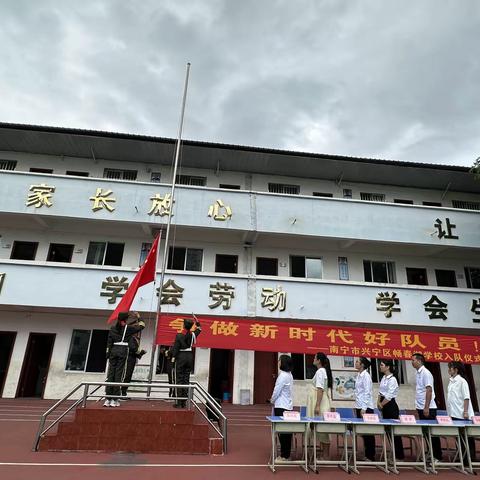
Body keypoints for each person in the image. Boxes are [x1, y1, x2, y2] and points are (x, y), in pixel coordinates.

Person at [105, 311, 145, 407]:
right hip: (123, 351)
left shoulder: (113, 328)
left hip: (113, 351)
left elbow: (109, 343)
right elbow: (142, 326)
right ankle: (115, 399)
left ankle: (108, 398)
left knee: (110, 374)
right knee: (119, 375)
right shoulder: (128, 328)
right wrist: (138, 316)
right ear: (126, 319)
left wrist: (108, 354)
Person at [411, 353, 442, 461]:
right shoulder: (418, 373)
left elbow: (429, 390)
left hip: (428, 407)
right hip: (421, 407)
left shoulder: (426, 373)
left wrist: (426, 407)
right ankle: (430, 453)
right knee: (426, 433)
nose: (412, 362)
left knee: (432, 433)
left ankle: (437, 456)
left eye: (413, 360)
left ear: (419, 361)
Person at [446, 361, 476, 463]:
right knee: (459, 436)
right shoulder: (451, 381)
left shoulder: (462, 381)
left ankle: (470, 458)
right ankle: (462, 457)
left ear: (456, 370)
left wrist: (466, 411)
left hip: (462, 414)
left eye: (450, 368)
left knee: (466, 437)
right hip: (454, 413)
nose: (449, 369)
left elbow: (466, 397)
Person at [171, 317, 201, 408]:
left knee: (179, 379)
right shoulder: (192, 334)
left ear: (184, 326)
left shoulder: (179, 335)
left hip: (181, 356)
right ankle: (184, 401)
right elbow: (199, 329)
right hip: (189, 356)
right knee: (186, 379)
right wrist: (197, 322)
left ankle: (179, 402)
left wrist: (173, 359)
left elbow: (175, 348)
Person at [306, 352, 332, 458]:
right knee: (319, 428)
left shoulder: (321, 371)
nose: (313, 359)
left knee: (323, 429)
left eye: (315, 358)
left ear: (319, 361)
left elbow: (320, 389)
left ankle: (326, 456)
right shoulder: (321, 371)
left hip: (320, 402)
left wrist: (317, 405)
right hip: (321, 401)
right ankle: (324, 454)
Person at [377, 359, 404, 460]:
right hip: (383, 405)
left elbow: (389, 395)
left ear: (388, 367)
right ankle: (394, 453)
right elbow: (380, 392)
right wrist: (378, 402)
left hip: (391, 406)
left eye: (382, 364)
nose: (380, 366)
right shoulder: (383, 378)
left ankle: (399, 455)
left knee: (394, 432)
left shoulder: (393, 379)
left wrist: (381, 404)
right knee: (388, 431)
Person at [270, 354, 294, 462]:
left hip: (281, 406)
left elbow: (277, 390)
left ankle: (284, 456)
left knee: (282, 432)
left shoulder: (283, 375)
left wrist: (272, 400)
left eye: (279, 361)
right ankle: (286, 454)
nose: (278, 363)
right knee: (287, 432)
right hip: (288, 406)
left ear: (282, 363)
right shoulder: (289, 375)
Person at [354, 357, 375, 461]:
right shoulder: (359, 375)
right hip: (360, 406)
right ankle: (367, 454)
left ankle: (371, 455)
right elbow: (358, 393)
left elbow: (367, 392)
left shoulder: (366, 376)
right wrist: (357, 407)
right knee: (363, 432)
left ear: (362, 365)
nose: (356, 363)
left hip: (366, 408)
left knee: (368, 433)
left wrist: (363, 408)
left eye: (357, 362)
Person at [120, 331, 147, 397]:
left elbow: (135, 350)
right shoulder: (131, 338)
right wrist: (141, 352)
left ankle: (124, 392)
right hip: (129, 359)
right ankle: (122, 392)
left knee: (128, 376)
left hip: (132, 359)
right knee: (127, 376)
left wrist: (141, 353)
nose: (138, 334)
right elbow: (133, 349)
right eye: (137, 332)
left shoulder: (134, 339)